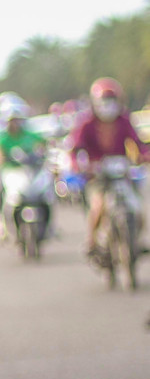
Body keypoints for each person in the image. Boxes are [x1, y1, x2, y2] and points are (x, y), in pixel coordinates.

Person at [67, 77, 148, 254]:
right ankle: (92, 242)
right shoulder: (87, 123)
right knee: (98, 207)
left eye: (112, 100)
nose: (108, 105)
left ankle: (136, 241)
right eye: (104, 100)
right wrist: (79, 165)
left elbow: (138, 143)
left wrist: (144, 155)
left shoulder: (124, 120)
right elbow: (75, 149)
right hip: (98, 176)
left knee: (137, 209)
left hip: (121, 174)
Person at [0, 96, 44, 241]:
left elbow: (42, 145)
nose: (14, 123)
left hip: (29, 172)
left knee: (46, 193)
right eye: (11, 120)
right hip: (10, 172)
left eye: (16, 120)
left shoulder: (29, 134)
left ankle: (49, 226)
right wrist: (0, 159)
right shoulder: (2, 137)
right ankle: (0, 222)